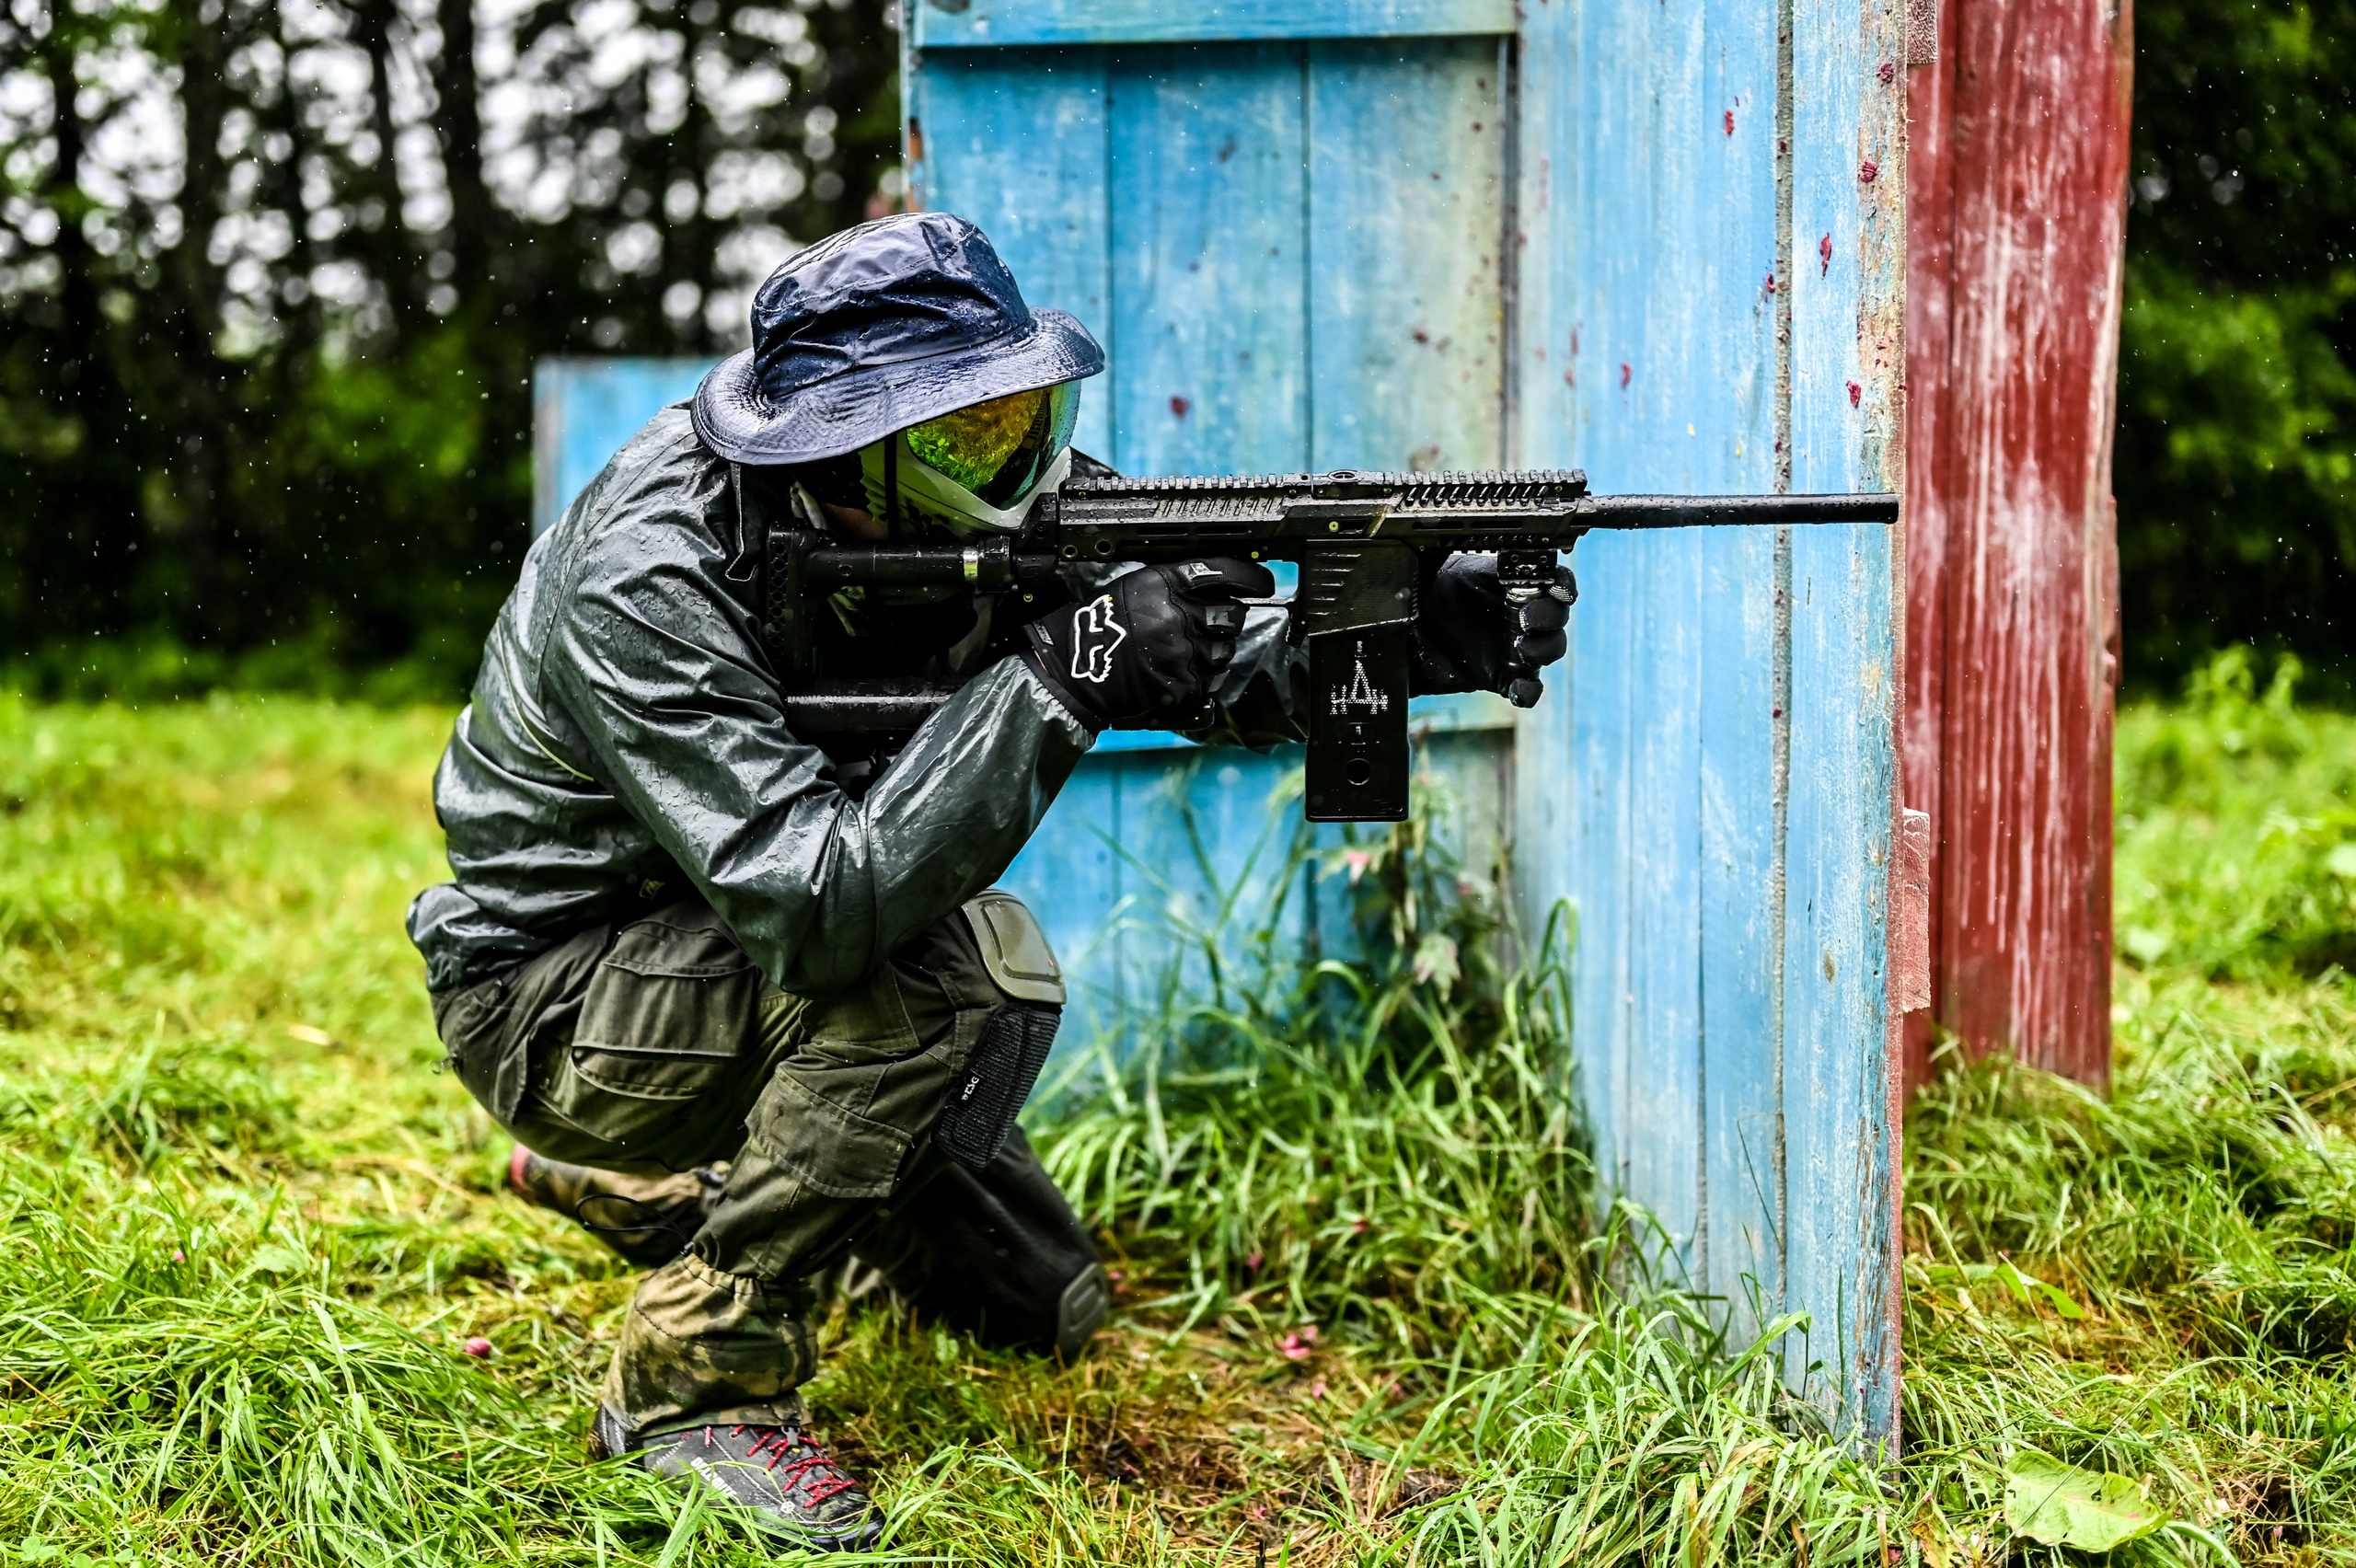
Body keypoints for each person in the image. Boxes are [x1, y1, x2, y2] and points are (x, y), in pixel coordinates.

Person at [408, 212, 1573, 1553]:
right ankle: (690, 1382)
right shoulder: (649, 571)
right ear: (843, 450)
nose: (1022, 462)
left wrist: (1417, 636)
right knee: (961, 978)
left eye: (1028, 416)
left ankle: (695, 1204)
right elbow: (813, 903)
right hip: (559, 1002)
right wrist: (1064, 673)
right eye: (969, 434)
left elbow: (1192, 660)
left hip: (724, 967)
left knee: (1042, 1305)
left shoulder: (980, 501)